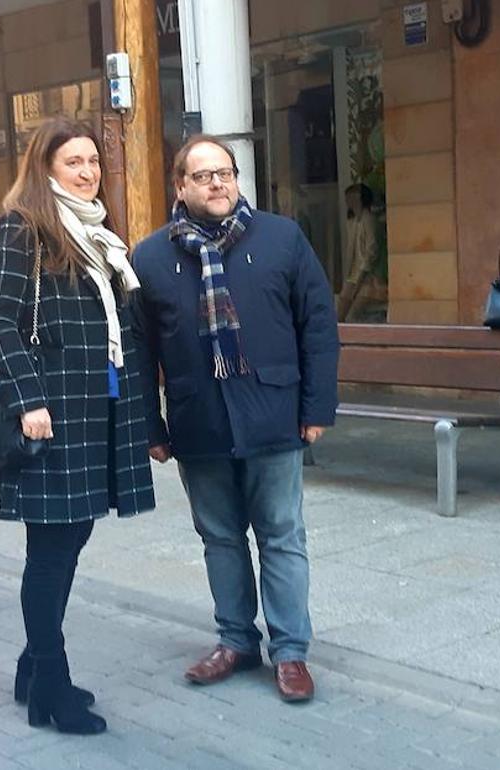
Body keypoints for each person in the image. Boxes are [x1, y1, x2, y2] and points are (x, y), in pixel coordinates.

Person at [129, 135, 340, 702]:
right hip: (200, 423)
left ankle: (291, 652)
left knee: (281, 536)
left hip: (275, 413)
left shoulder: (281, 239)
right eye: (203, 176)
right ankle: (235, 641)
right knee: (220, 537)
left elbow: (317, 326)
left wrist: (317, 407)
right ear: (181, 187)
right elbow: (139, 351)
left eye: (225, 172)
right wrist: (150, 426)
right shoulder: (148, 258)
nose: (218, 183)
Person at [0, 117, 155, 734]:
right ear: (45, 166)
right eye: (74, 162)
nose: (87, 172)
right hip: (49, 416)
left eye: (93, 162)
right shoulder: (21, 228)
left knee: (68, 541)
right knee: (51, 552)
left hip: (96, 412)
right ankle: (51, 685)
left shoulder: (98, 235)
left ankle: (32, 668)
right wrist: (27, 400)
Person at [338, 183, 382, 322]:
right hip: (353, 273)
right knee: (341, 305)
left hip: (366, 275)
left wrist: (364, 271)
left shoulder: (369, 219)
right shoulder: (352, 222)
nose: (348, 200)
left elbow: (372, 249)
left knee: (354, 313)